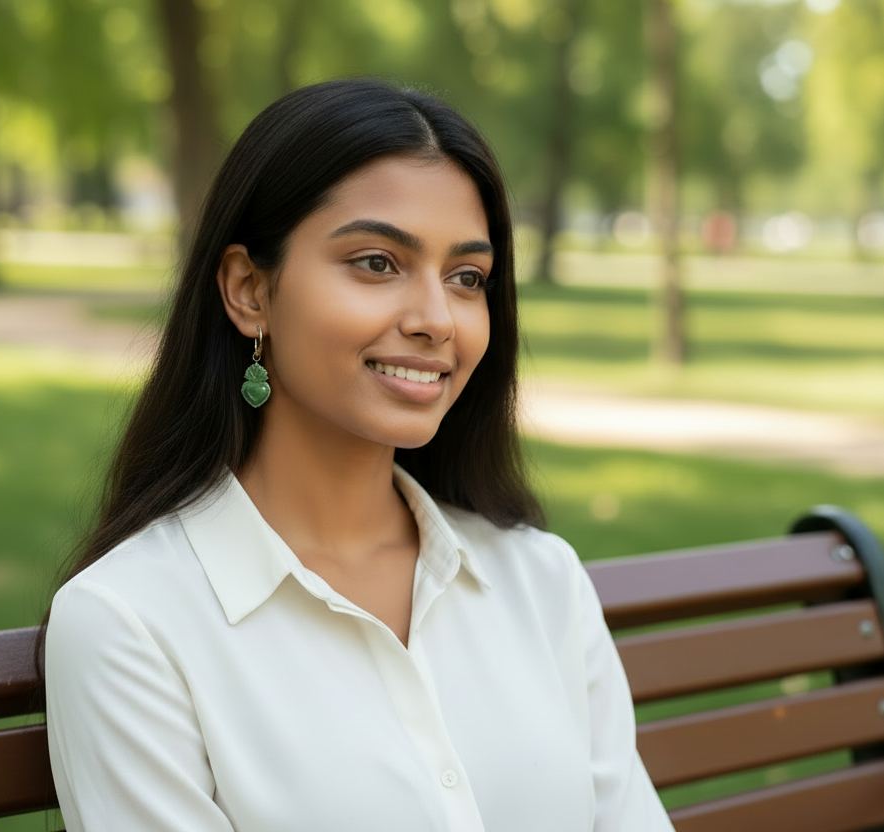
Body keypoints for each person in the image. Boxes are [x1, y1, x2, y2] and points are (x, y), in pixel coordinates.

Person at [43, 78, 674, 832]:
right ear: (249, 289)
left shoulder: (541, 583)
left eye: (466, 278)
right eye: (377, 263)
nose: (436, 320)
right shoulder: (130, 623)